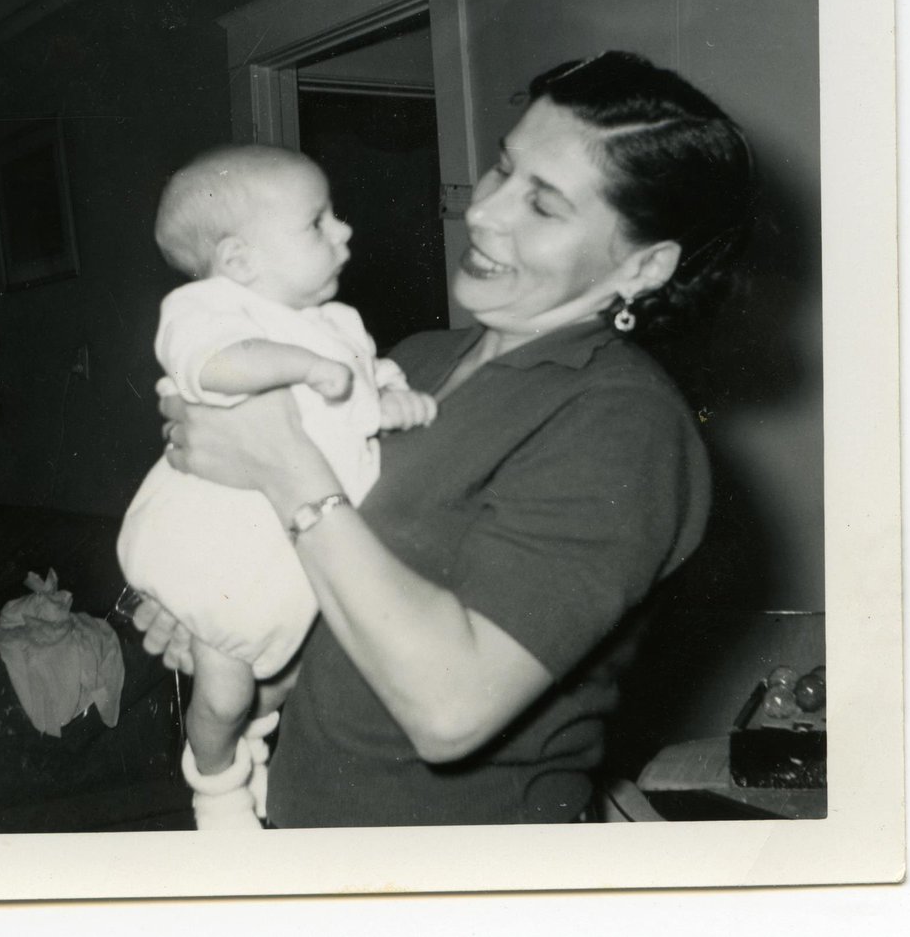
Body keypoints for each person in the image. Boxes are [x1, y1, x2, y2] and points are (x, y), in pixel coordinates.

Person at [139, 51, 756, 827]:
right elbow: (360, 612)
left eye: (545, 204)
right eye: (502, 169)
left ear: (644, 264)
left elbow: (451, 706)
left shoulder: (625, 424)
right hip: (306, 831)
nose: (486, 210)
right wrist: (244, 641)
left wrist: (283, 465)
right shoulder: (415, 360)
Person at [116, 143, 437, 829]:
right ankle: (215, 781)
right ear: (238, 260)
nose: (344, 231)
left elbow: (364, 381)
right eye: (317, 222)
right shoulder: (207, 306)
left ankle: (250, 748)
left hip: (289, 560)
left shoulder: (340, 324)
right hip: (220, 540)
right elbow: (212, 367)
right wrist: (304, 365)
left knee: (260, 691)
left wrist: (392, 395)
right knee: (227, 692)